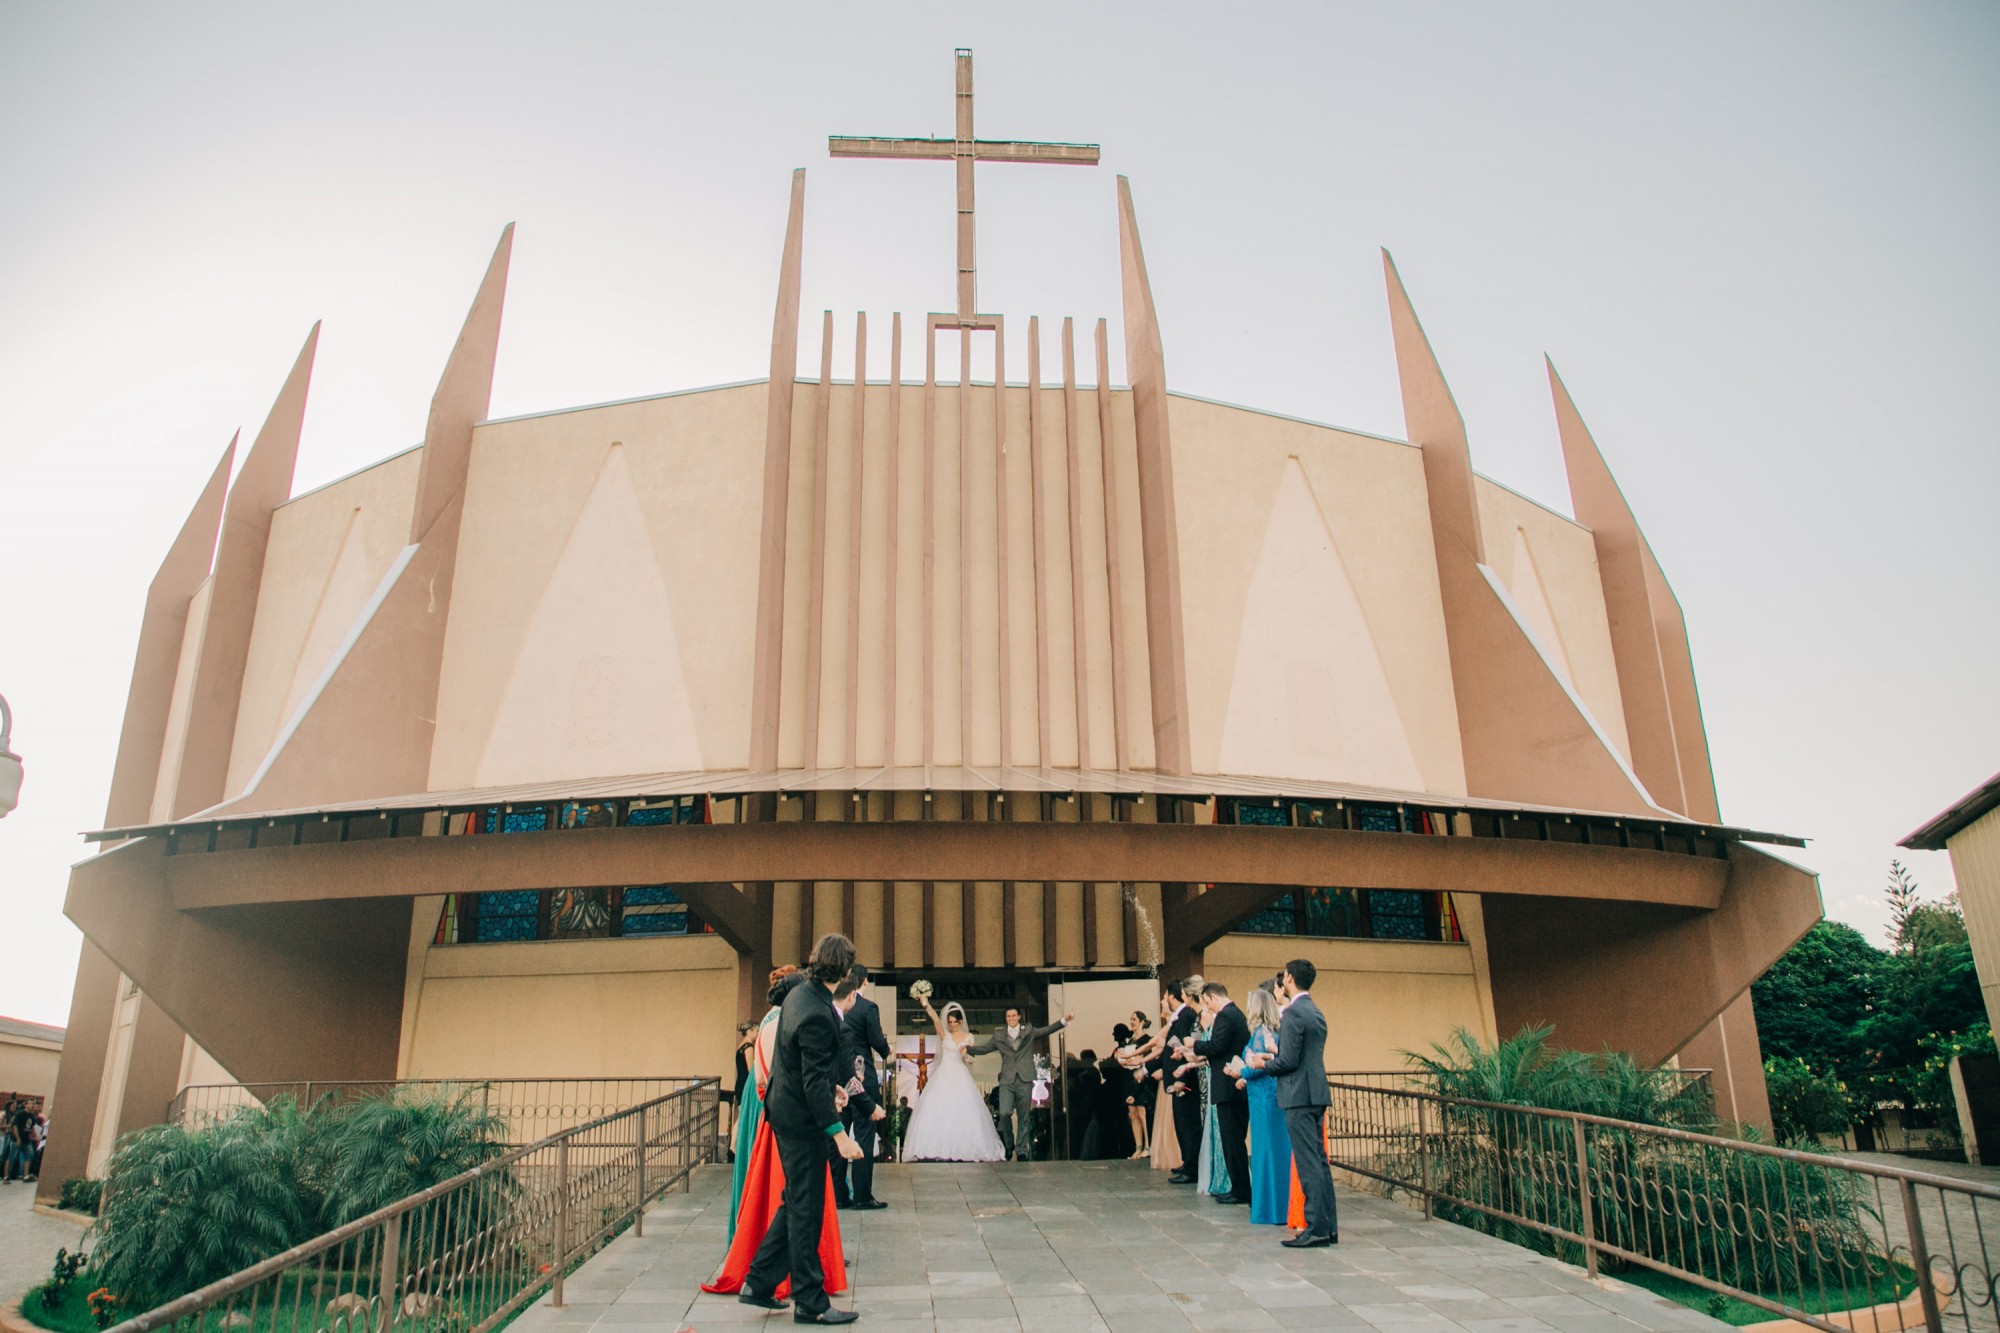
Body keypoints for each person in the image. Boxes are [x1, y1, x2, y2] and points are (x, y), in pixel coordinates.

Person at [736, 934, 866, 1324]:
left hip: (785, 1109)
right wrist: (839, 1135)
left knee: (795, 1200)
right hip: (799, 1120)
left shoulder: (799, 994)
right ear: (844, 971)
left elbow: (805, 1067)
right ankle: (810, 1301)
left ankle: (758, 1283)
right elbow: (810, 1081)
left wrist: (835, 1087)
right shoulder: (816, 1012)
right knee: (806, 1208)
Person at [702, 968, 848, 1300]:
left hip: (776, 1109)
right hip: (788, 1114)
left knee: (789, 1197)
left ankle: (765, 1278)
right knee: (797, 1198)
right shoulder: (788, 1020)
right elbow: (787, 1075)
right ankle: (792, 1284)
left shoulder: (773, 1021)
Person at [1249, 957, 1338, 1247]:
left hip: (1298, 1095)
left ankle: (1316, 1228)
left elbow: (1288, 1061)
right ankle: (1328, 1225)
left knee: (1308, 1162)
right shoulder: (1315, 1011)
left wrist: (1262, 1065)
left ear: (1289, 978)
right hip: (1316, 1093)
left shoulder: (1293, 1014)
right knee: (1320, 1162)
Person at [903, 993, 1009, 1162]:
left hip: (960, 1073)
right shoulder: (944, 1034)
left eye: (955, 1022)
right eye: (950, 1022)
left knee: (964, 1110)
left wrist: (965, 1054)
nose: (952, 1025)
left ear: (960, 1021)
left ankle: (964, 1147)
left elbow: (970, 1060)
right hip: (943, 1074)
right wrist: (926, 1005)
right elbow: (936, 1020)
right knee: (938, 1110)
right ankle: (937, 1147)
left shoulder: (969, 1037)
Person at [966, 1004, 1070, 1161]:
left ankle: (1021, 1150)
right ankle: (1009, 1144)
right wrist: (968, 1049)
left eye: (1013, 1016)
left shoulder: (1028, 1030)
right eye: (1008, 1016)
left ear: (1019, 1017)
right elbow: (985, 1048)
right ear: (1006, 1018)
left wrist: (1063, 1021)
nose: (1011, 1019)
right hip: (1007, 1079)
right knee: (1004, 1112)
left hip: (1025, 1078)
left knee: (1024, 1116)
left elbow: (1045, 1031)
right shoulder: (999, 1035)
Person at [1233, 985, 1292, 1225]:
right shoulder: (1275, 1031)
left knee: (1264, 1150)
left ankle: (1269, 1208)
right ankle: (1280, 1205)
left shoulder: (1260, 1033)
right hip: (1270, 1095)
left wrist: (1241, 1073)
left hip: (1263, 1099)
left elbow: (1258, 1065)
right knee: (1275, 1150)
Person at [832, 963, 889, 1210]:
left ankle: (838, 1194)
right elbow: (877, 1041)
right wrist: (887, 1050)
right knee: (865, 1136)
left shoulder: (833, 1008)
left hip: (839, 1080)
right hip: (863, 1076)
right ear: (864, 982)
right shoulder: (868, 1008)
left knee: (840, 1134)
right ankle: (863, 1195)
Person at [1193, 981, 1251, 1207]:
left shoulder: (1226, 1016)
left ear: (1214, 997)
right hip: (1230, 1086)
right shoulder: (1234, 1014)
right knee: (1232, 1140)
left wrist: (1195, 1045)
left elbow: (1217, 1046)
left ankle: (1240, 1189)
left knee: (1232, 1140)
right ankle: (1239, 1187)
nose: (1207, 1008)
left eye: (1207, 1003)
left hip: (1229, 1088)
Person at [1162, 978, 1204, 1184]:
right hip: (1177, 1075)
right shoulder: (1181, 1017)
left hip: (1184, 1080)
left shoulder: (1186, 1015)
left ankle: (1191, 1166)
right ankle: (1187, 1161)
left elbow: (1191, 1046)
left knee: (1188, 1124)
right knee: (1181, 1123)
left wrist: (1183, 1078)